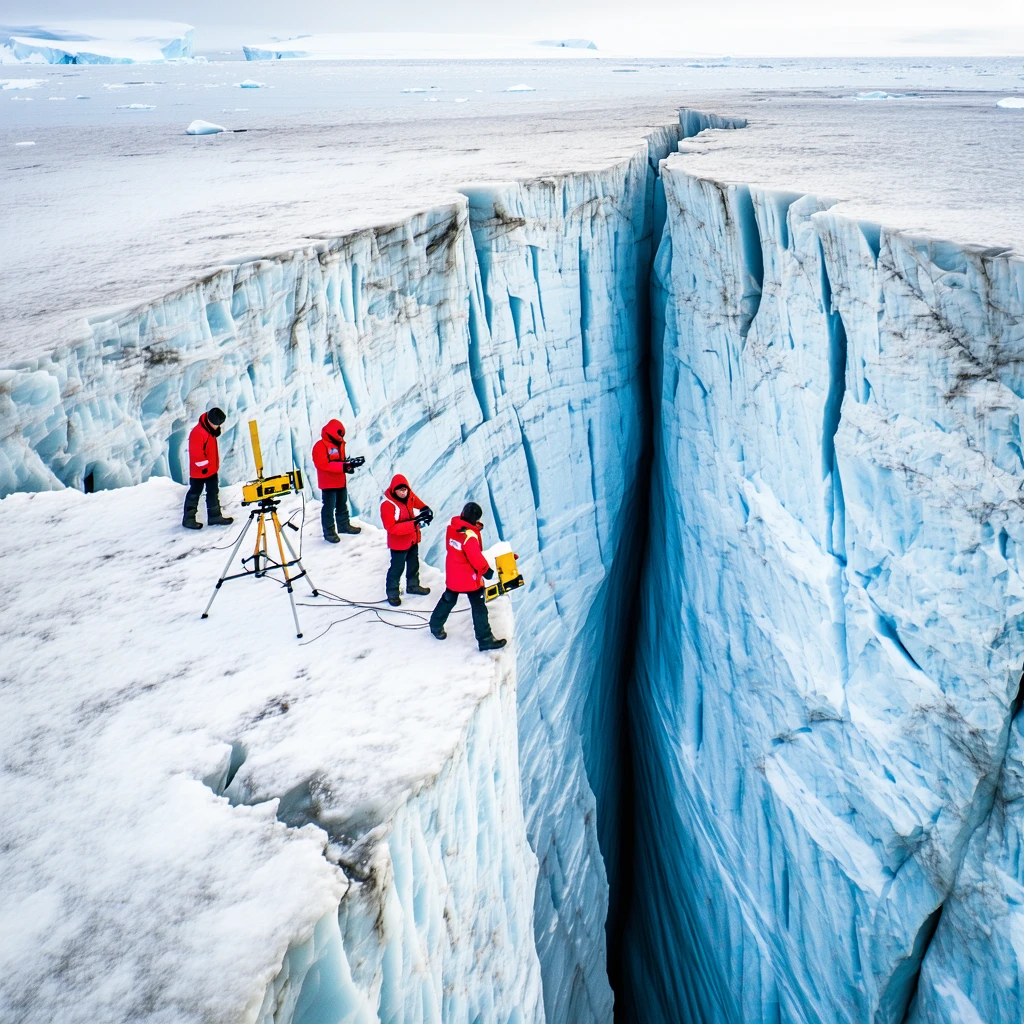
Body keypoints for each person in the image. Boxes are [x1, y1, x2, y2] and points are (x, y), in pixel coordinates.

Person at [429, 502, 506, 652]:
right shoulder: (469, 537)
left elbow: (457, 545)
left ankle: (435, 625)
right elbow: (475, 558)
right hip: (468, 578)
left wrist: (474, 528)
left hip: (453, 572)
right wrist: (486, 571)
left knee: (448, 599)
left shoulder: (452, 527)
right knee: (479, 607)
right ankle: (485, 639)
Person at [380, 474, 432, 605]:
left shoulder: (408, 496)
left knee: (413, 564)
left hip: (412, 540)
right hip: (398, 544)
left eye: (405, 490)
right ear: (394, 490)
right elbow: (391, 527)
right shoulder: (388, 504)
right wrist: (414, 524)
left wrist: (425, 508)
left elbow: (415, 499)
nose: (403, 493)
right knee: (397, 568)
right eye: (400, 490)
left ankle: (413, 585)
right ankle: (392, 593)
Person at [182, 407, 234, 530]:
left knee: (213, 493)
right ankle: (188, 520)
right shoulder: (198, 433)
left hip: (211, 470)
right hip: (199, 472)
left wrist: (211, 467)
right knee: (194, 494)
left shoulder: (209, 430)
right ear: (210, 421)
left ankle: (215, 516)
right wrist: (204, 467)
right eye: (216, 424)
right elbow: (196, 454)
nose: (218, 427)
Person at [312, 419, 361, 542]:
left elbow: (339, 462)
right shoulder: (320, 446)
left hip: (340, 481)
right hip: (328, 483)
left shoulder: (339, 445)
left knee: (342, 505)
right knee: (329, 507)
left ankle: (343, 526)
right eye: (339, 433)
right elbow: (323, 464)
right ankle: (329, 532)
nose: (340, 436)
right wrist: (344, 466)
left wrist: (350, 465)